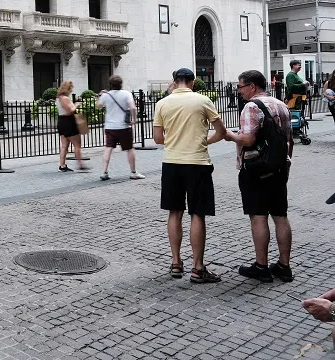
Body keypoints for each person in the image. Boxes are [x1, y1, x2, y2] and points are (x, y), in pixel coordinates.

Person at [153, 68, 227, 284]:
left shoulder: (162, 103)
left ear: (174, 82)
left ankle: (176, 263)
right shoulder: (202, 101)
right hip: (197, 163)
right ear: (192, 82)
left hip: (172, 163)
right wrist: (204, 141)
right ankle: (198, 267)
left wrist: (176, 141)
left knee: (174, 212)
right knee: (197, 213)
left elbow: (158, 138)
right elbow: (221, 132)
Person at [224, 70, 294, 283]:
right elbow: (289, 140)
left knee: (259, 216)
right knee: (280, 215)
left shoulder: (252, 107)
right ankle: (284, 266)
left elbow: (247, 140)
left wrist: (228, 135)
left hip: (256, 169)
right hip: (279, 167)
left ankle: (261, 265)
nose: (239, 90)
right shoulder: (281, 105)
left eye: (240, 86)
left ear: (252, 86)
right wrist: (285, 164)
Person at [96, 75, 145, 181]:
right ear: (121, 84)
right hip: (123, 126)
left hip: (109, 126)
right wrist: (134, 119)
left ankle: (104, 172)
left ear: (110, 84)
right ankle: (133, 172)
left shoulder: (106, 95)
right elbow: (132, 107)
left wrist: (101, 95)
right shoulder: (126, 94)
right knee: (129, 148)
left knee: (108, 148)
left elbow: (98, 106)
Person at [56, 80, 86, 172]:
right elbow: (70, 110)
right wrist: (76, 105)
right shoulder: (65, 98)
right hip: (68, 122)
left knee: (64, 145)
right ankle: (80, 164)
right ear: (67, 89)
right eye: (71, 89)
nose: (71, 91)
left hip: (61, 121)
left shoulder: (58, 98)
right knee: (77, 144)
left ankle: (62, 165)